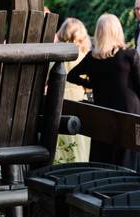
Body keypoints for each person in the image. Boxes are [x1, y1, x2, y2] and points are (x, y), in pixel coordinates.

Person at [67, 13, 140, 168]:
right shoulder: (129, 56)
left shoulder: (92, 58)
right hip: (129, 113)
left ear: (98, 33)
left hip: (103, 114)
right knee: (127, 157)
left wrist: (92, 84)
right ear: (117, 31)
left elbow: (71, 76)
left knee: (104, 154)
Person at [53, 18, 92, 164]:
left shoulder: (55, 57)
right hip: (77, 101)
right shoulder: (82, 57)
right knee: (78, 140)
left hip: (57, 101)